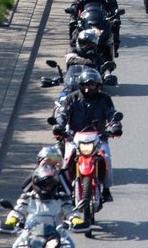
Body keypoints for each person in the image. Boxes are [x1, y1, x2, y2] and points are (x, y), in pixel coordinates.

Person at [53, 67, 122, 202]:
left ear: (97, 85)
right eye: (86, 84)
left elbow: (111, 114)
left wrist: (115, 126)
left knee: (106, 159)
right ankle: (65, 189)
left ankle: (106, 189)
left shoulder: (105, 99)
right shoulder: (71, 98)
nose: (89, 88)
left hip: (99, 137)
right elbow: (62, 114)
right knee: (66, 161)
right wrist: (59, 126)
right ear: (81, 84)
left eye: (92, 84)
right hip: (74, 138)